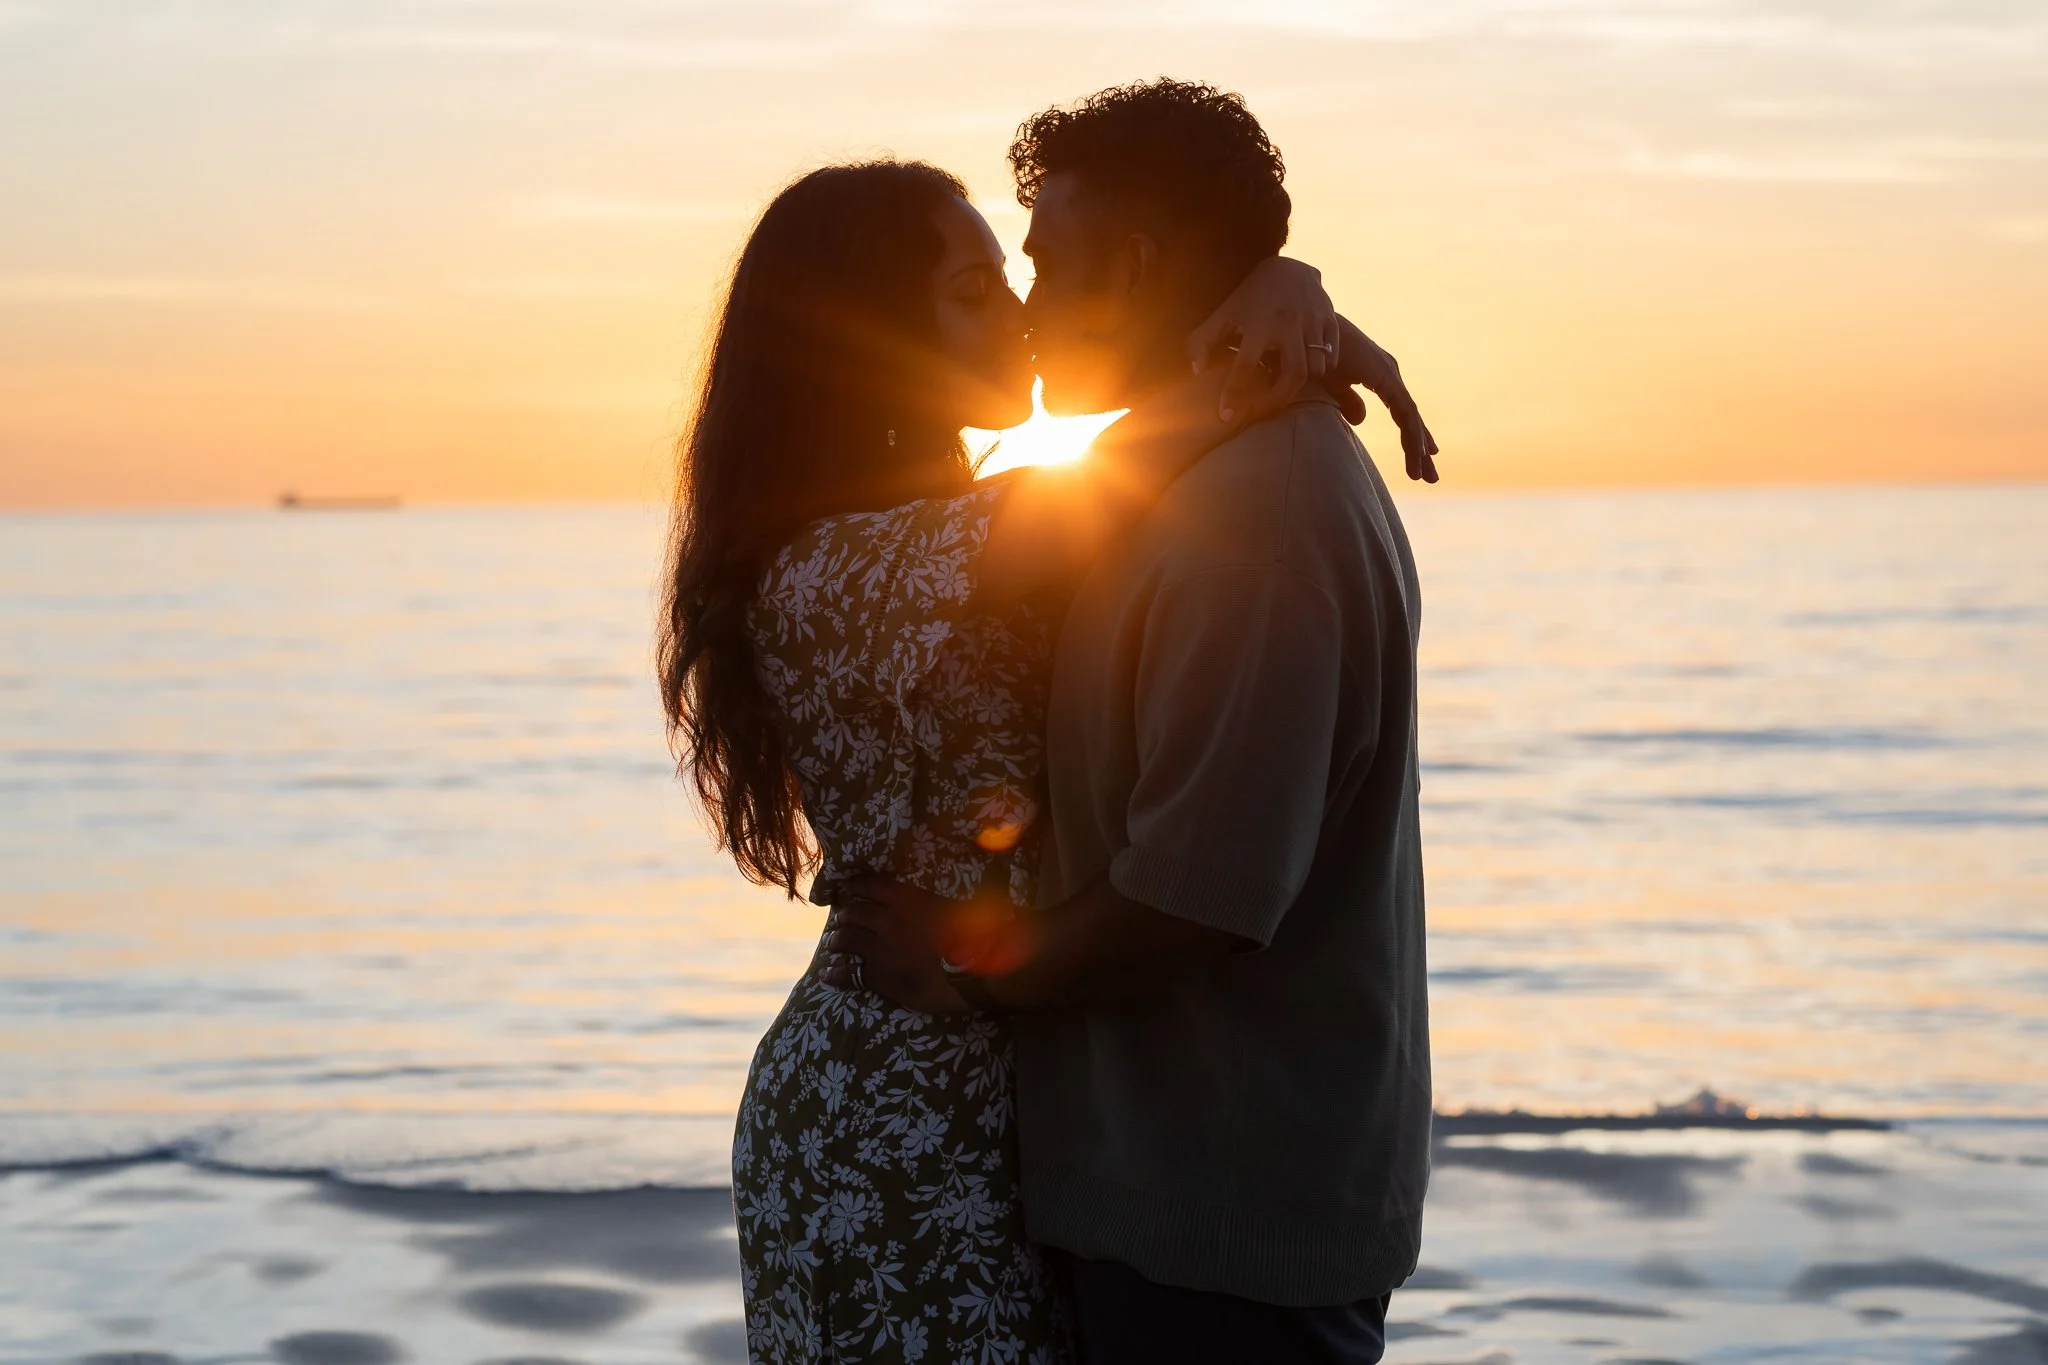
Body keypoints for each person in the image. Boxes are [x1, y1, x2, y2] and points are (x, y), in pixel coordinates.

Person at [662, 107, 1434, 1365]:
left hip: (986, 1087)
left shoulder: (989, 532)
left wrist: (1278, 295)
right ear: (872, 340)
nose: (1022, 310)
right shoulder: (851, 564)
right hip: (896, 1099)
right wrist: (1281, 320)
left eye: (1027, 272)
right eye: (980, 287)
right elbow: (1154, 456)